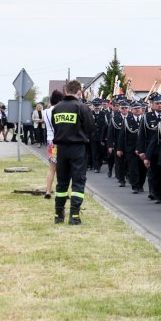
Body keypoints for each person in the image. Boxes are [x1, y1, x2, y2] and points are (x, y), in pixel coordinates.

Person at [51, 81, 95, 224]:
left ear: (66, 91)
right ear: (79, 92)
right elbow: (90, 128)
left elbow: (54, 127)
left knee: (61, 183)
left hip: (61, 149)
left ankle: (59, 215)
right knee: (78, 182)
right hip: (77, 149)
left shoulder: (56, 108)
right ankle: (74, 216)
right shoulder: (81, 107)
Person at [43, 90, 64, 199]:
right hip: (60, 141)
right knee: (63, 168)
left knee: (51, 168)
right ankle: (61, 190)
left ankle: (48, 190)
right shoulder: (60, 110)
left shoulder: (45, 112)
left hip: (50, 142)